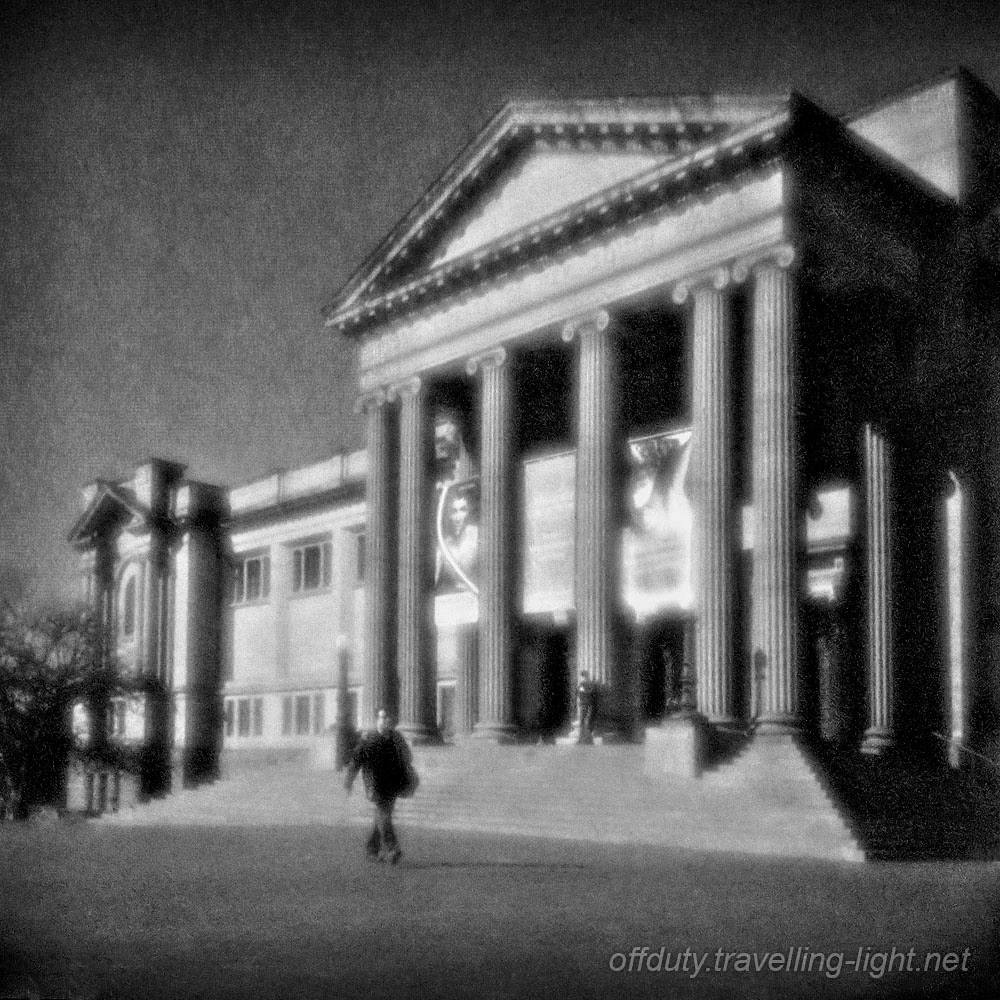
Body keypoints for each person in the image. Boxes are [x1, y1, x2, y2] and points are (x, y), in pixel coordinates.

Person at [344, 708, 414, 864]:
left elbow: (408, 757)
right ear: (377, 719)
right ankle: (392, 848)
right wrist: (349, 781)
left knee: (382, 815)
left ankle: (372, 849)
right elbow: (356, 761)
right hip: (375, 784)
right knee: (384, 814)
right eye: (382, 717)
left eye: (388, 718)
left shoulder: (396, 737)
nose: (385, 720)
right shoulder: (368, 738)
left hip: (392, 783)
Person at [576, 670, 598, 736]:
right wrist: (588, 692)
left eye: (586, 676)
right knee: (582, 718)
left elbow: (592, 692)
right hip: (584, 703)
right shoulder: (581, 685)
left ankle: (589, 732)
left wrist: (587, 692)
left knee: (590, 718)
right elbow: (580, 693)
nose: (584, 678)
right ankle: (582, 732)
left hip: (590, 703)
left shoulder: (591, 684)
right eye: (583, 676)